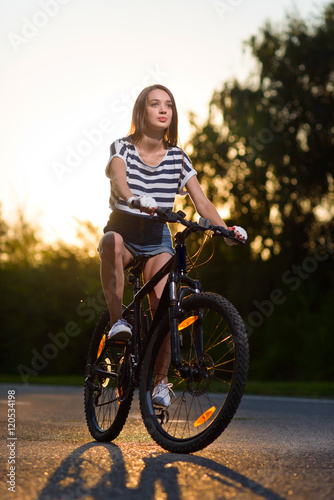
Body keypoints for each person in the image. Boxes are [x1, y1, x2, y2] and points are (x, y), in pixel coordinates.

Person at [98, 84, 246, 408]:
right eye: (155, 104)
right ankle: (116, 324)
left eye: (168, 105)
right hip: (123, 229)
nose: (163, 110)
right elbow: (120, 180)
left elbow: (202, 202)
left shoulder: (178, 156)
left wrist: (226, 230)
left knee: (166, 301)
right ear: (142, 111)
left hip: (156, 235)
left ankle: (161, 382)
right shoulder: (121, 147)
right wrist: (135, 198)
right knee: (109, 242)